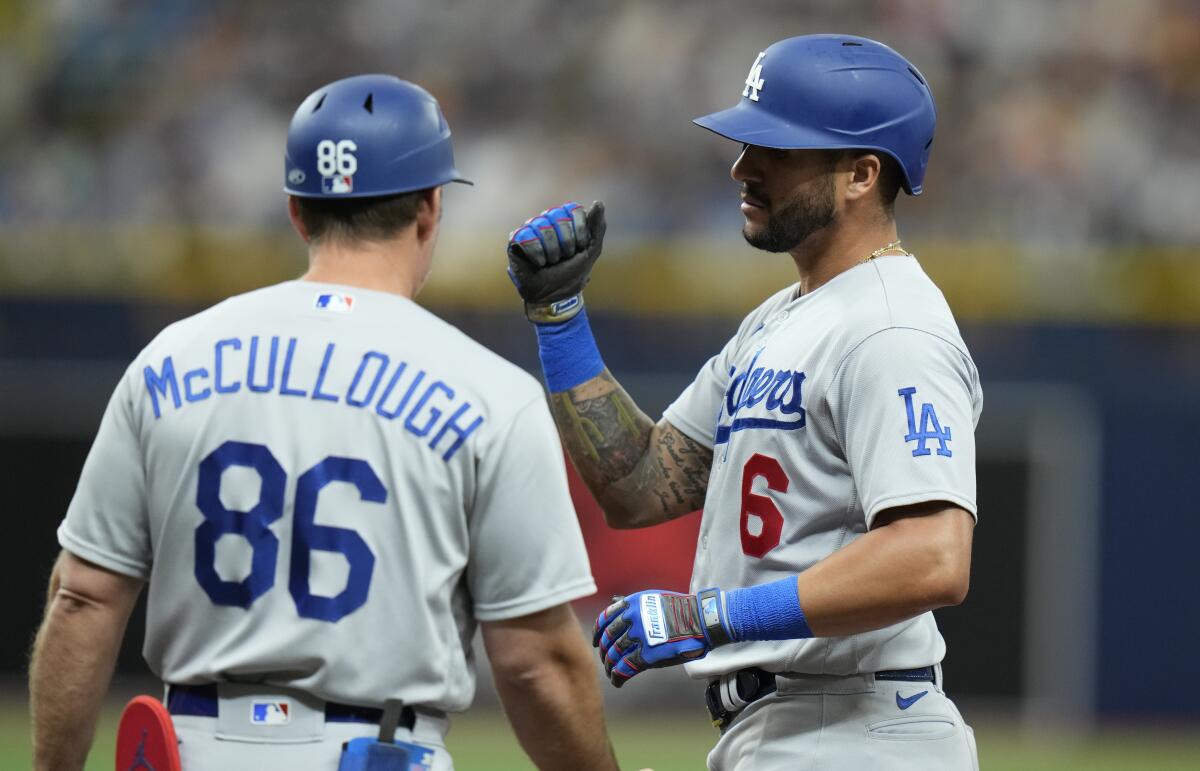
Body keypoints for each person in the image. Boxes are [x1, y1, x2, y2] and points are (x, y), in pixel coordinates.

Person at [30, 74, 619, 771]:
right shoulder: (493, 392)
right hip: (376, 749)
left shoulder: (169, 359)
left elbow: (81, 598)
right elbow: (535, 663)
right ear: (430, 208)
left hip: (193, 745)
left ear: (297, 212)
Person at [506, 35, 980, 770]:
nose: (743, 168)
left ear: (861, 173)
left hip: (855, 726)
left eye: (778, 150)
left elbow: (934, 557)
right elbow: (638, 485)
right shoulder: (782, 317)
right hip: (792, 723)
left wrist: (714, 614)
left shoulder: (892, 326)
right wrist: (560, 318)